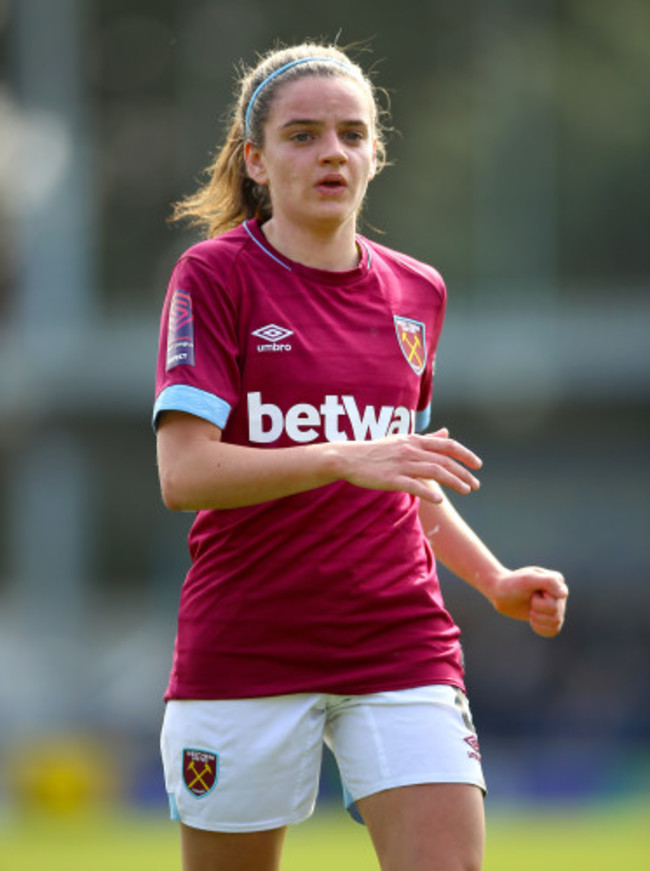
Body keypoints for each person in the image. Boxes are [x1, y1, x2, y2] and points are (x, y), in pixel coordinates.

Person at [153, 41, 568, 871]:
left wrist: (493, 581)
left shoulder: (419, 291)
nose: (331, 152)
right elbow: (185, 474)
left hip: (399, 640)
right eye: (302, 135)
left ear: (377, 152)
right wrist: (343, 455)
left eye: (351, 133)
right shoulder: (215, 277)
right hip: (247, 641)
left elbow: (402, 472)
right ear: (257, 161)